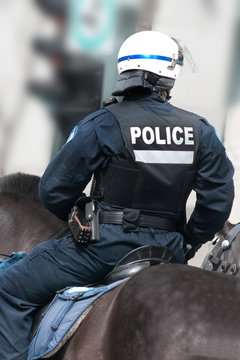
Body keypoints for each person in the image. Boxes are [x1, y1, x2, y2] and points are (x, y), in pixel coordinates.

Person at [0, 31, 234, 359]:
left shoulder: (104, 122)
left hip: (102, 248)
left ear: (126, 71)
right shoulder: (201, 130)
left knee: (8, 290)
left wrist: (78, 211)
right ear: (167, 77)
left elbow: (52, 189)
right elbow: (219, 198)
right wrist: (189, 240)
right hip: (166, 251)